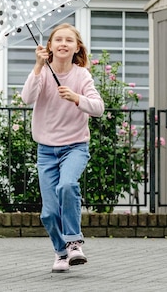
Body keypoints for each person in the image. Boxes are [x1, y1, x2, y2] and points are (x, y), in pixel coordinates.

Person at [21, 23, 105, 273]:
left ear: (76, 47)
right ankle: (60, 252)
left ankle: (74, 242)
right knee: (47, 214)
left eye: (69, 40)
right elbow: (27, 98)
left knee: (67, 186)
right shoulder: (43, 72)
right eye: (58, 40)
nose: (63, 44)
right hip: (46, 150)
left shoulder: (81, 75)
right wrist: (37, 66)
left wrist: (77, 98)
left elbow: (98, 108)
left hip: (75, 146)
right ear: (49, 46)